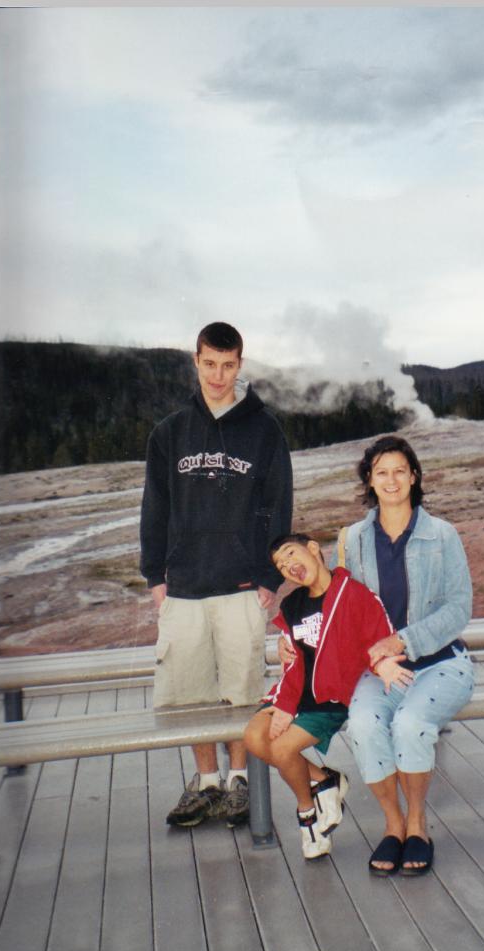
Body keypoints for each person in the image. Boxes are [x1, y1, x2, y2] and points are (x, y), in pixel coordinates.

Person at [140, 321, 293, 828]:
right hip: (183, 585)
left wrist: (269, 578)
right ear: (196, 361)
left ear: (240, 365)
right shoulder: (170, 432)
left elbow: (278, 505)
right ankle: (205, 783)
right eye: (209, 364)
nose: (218, 375)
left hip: (242, 586)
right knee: (189, 692)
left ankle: (238, 780)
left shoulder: (264, 429)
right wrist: (155, 576)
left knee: (243, 689)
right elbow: (154, 508)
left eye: (228, 365)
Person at [333, 435, 474, 876]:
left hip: (440, 665)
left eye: (400, 470)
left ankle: (417, 822)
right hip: (379, 670)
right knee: (363, 724)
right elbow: (339, 609)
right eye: (381, 472)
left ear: (414, 477)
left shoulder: (441, 534)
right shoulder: (353, 539)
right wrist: (293, 637)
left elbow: (459, 608)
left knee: (411, 725)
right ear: (369, 482)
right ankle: (392, 825)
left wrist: (402, 643)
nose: (391, 480)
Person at [244, 533, 406, 859]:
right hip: (295, 691)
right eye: (281, 564)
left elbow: (380, 638)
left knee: (283, 747)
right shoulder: (292, 605)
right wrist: (286, 706)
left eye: (292, 554)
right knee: (254, 738)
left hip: (329, 699)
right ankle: (324, 781)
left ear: (314, 550)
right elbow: (292, 663)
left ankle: (308, 814)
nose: (289, 565)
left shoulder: (354, 595)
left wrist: (384, 665)